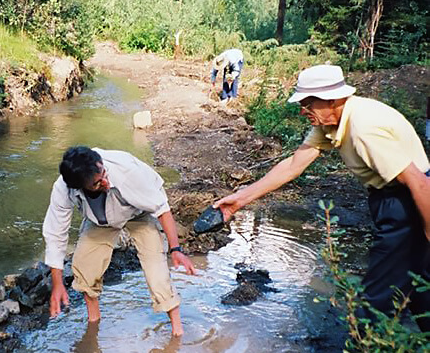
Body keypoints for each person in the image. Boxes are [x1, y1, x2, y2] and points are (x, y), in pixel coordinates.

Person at [214, 64, 430, 331]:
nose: (303, 111)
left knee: (377, 296)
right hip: (390, 197)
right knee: (421, 284)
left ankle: (365, 343)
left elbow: (420, 183)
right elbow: (294, 164)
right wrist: (240, 199)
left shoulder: (364, 129)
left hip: (408, 200)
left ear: (333, 99)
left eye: (308, 103)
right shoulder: (334, 121)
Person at [43, 146, 196, 336]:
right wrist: (57, 285)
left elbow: (162, 209)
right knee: (84, 268)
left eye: (104, 174)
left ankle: (177, 331)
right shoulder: (64, 188)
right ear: (80, 187)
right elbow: (56, 234)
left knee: (157, 273)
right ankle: (93, 324)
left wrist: (176, 249)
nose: (105, 181)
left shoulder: (126, 171)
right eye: (97, 183)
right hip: (100, 220)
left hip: (138, 212)